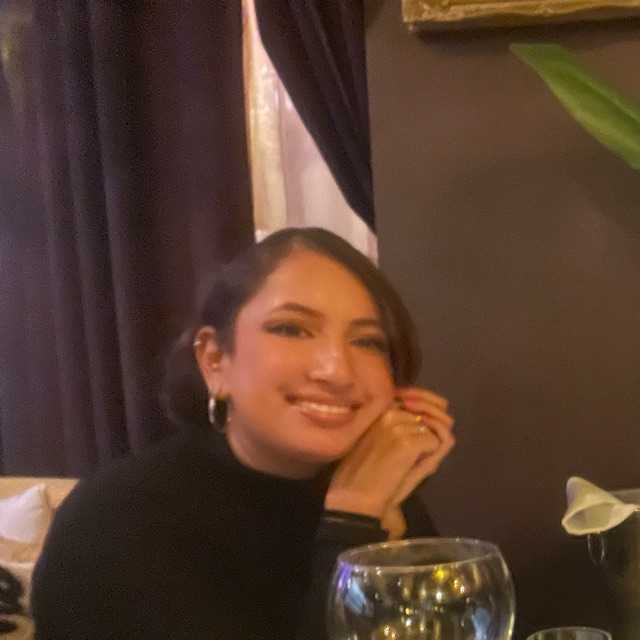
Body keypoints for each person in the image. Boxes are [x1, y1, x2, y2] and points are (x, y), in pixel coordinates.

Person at [31, 227, 455, 639]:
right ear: (215, 360)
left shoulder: (379, 491)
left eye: (368, 342)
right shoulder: (117, 519)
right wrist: (352, 521)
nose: (337, 371)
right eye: (291, 329)